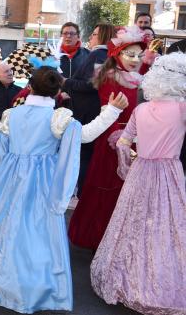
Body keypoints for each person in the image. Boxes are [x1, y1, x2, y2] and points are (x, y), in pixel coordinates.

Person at [0, 66, 128, 313]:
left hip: (8, 179)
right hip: (42, 182)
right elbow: (85, 135)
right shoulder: (57, 118)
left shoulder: (12, 115)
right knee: (34, 232)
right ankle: (25, 288)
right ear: (58, 92)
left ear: (30, 87)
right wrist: (112, 111)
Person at [90, 53, 186, 314]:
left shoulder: (141, 109)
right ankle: (158, 277)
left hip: (141, 170)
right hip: (168, 171)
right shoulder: (181, 108)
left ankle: (129, 275)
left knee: (134, 222)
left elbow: (123, 141)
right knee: (167, 223)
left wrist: (130, 159)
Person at [68, 26, 156, 250]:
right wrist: (121, 138)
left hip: (130, 137)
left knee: (123, 188)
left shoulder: (132, 74)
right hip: (113, 138)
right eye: (131, 54)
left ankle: (116, 236)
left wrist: (147, 61)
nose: (135, 60)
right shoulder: (110, 77)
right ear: (118, 54)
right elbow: (111, 111)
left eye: (138, 55)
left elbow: (138, 72)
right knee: (107, 184)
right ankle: (97, 236)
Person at [62, 23, 115, 195]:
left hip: (87, 110)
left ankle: (82, 193)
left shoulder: (99, 54)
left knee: (84, 153)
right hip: (92, 109)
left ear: (102, 37)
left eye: (93, 34)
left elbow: (92, 85)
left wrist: (65, 82)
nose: (90, 37)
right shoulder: (106, 55)